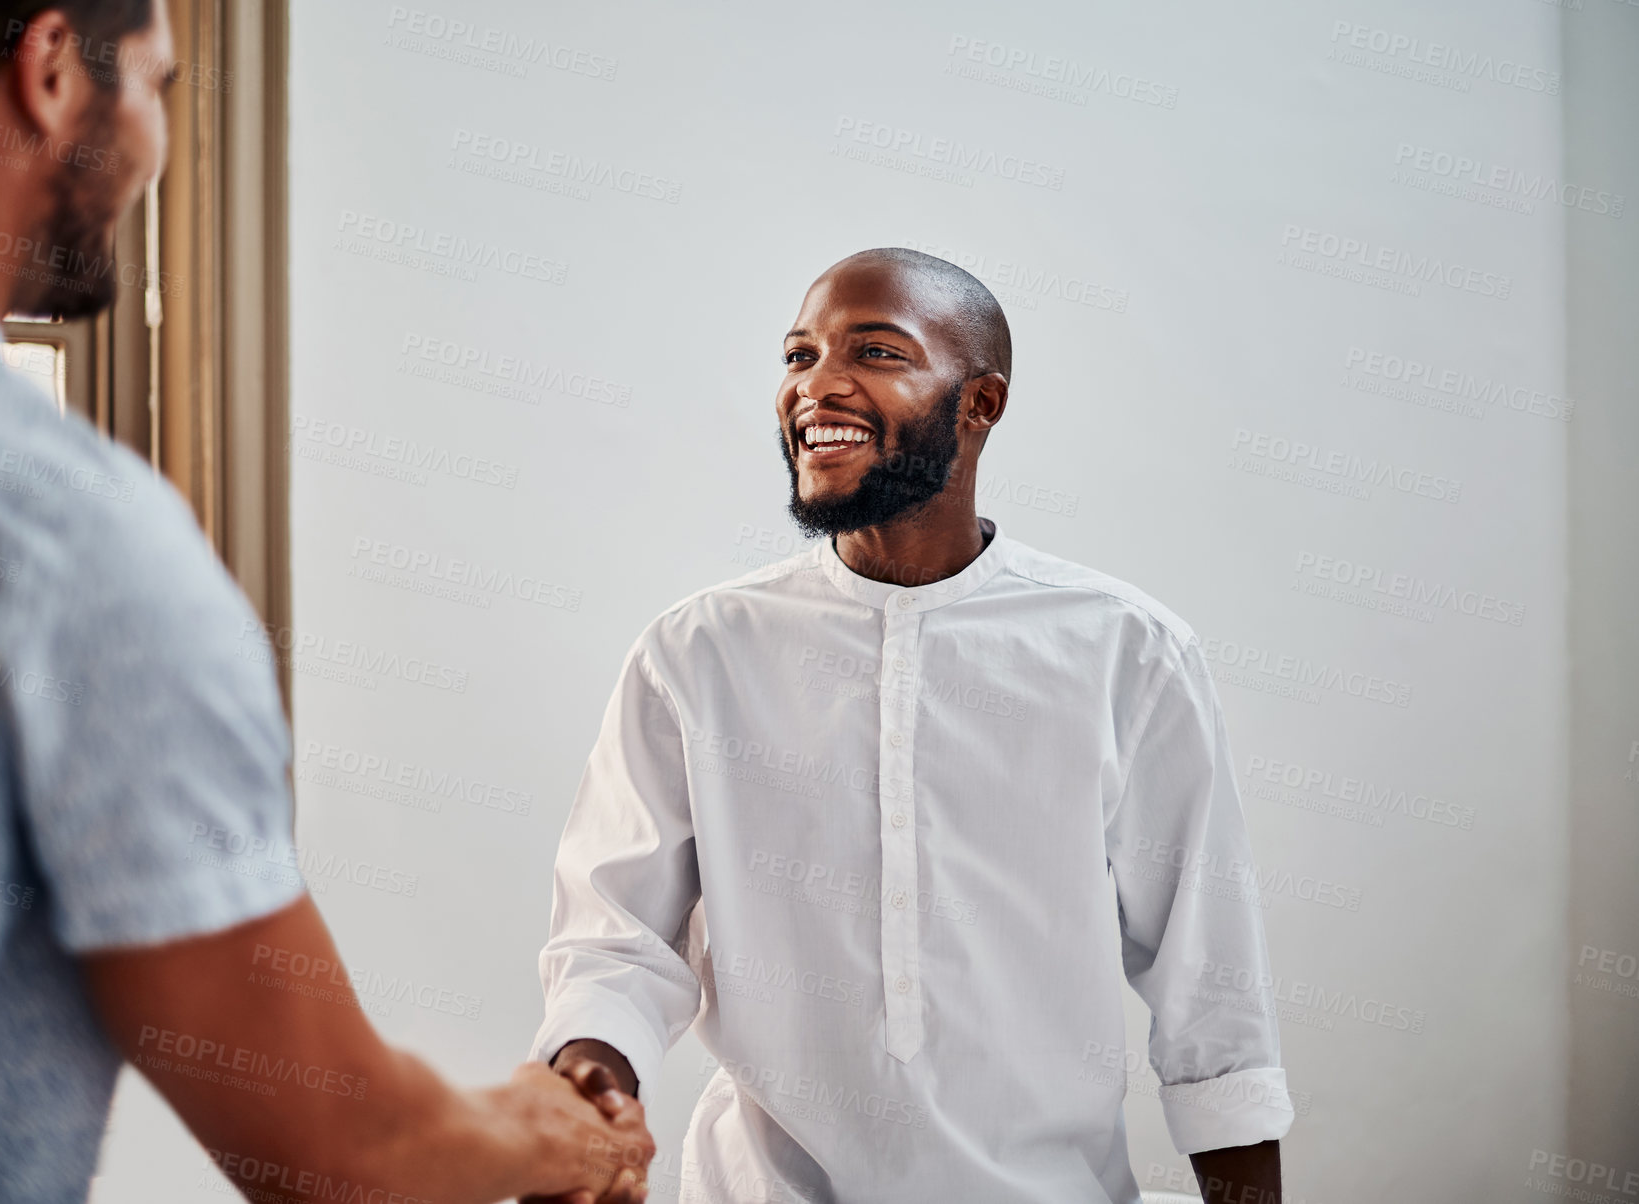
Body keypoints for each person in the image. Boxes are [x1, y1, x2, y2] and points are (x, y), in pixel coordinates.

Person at [0, 3, 653, 1201]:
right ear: (48, 71)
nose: (154, 140)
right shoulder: (69, 539)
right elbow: (342, 1150)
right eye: (156, 86)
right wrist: (565, 1138)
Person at [534, 247, 1295, 1202]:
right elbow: (616, 940)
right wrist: (590, 1073)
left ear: (981, 404)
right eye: (799, 355)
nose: (817, 386)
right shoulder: (697, 652)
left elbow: (1207, 975)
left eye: (878, 353)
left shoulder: (1127, 652)